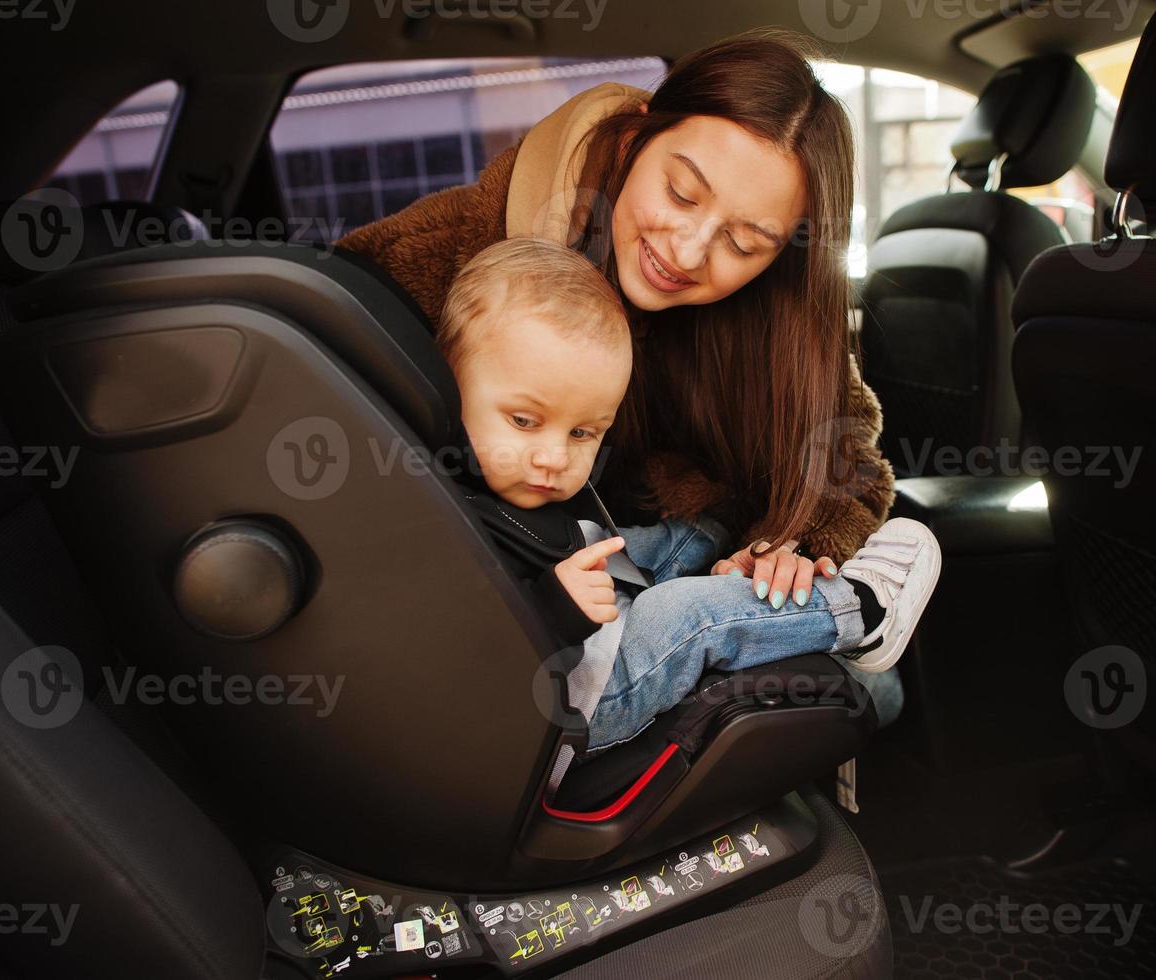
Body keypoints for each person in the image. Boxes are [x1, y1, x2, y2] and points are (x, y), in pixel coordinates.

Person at [338, 29, 906, 723]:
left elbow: (849, 466)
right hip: (511, 639)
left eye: (742, 242)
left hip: (640, 587)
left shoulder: (773, 323)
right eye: (681, 194)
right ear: (632, 141)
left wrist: (792, 545)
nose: (688, 250)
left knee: (874, 688)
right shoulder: (446, 254)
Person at [439, 238, 940, 750]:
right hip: (573, 703)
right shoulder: (430, 522)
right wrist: (553, 609)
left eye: (583, 434)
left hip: (587, 631)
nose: (554, 458)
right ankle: (861, 612)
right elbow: (463, 648)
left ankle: (718, 546)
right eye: (523, 421)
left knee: (653, 541)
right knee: (678, 614)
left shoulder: (498, 483)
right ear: (447, 388)